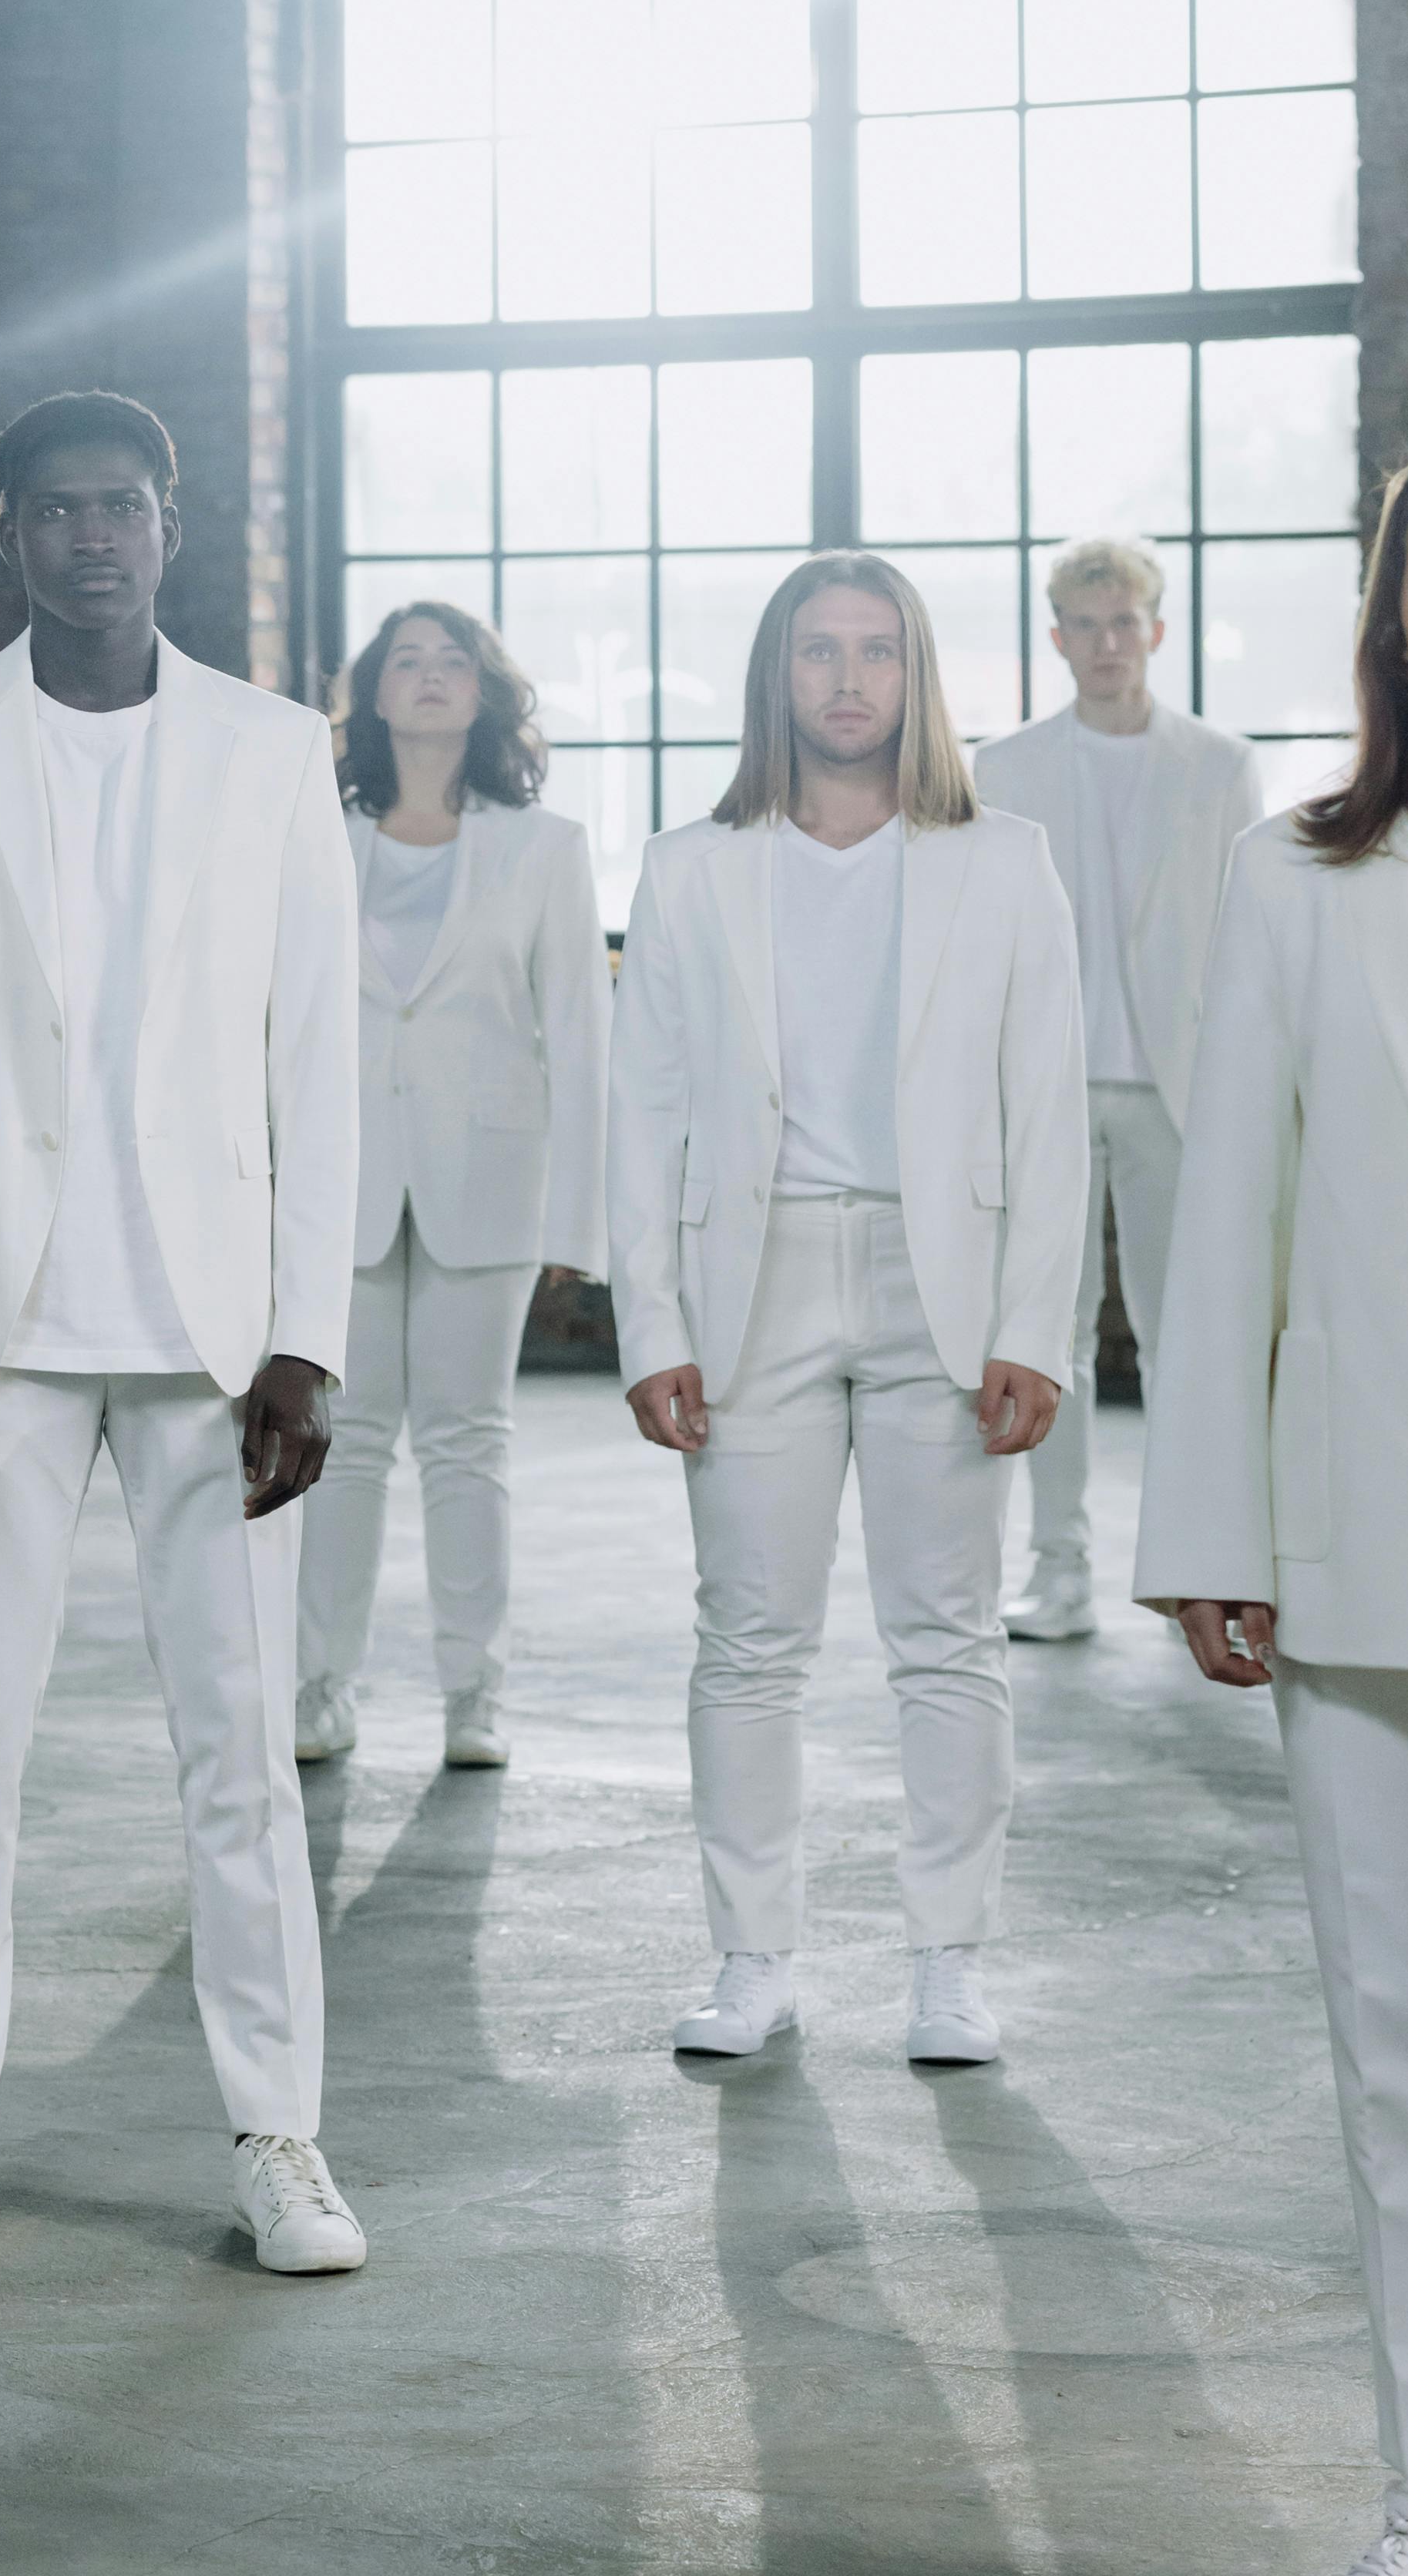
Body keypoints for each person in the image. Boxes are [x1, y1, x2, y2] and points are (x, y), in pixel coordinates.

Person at [0, 390, 365, 2282]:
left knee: (237, 1752)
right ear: (6, 530)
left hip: (217, 1337)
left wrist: (307, 1332)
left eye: (122, 508)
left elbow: (318, 1051)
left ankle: (279, 2135)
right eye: (53, 509)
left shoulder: (268, 749)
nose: (89, 538)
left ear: (168, 526)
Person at [609, 552, 1085, 2069]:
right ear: (776, 675)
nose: (844, 680)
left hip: (935, 1284)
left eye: (874, 651)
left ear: (912, 673)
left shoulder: (999, 857)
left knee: (944, 1639)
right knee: (745, 1640)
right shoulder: (690, 865)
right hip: (745, 1288)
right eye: (815, 651)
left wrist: (1033, 1323)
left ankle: (945, 1961)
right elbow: (643, 1111)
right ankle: (750, 1956)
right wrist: (649, 1326)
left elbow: (1046, 1108)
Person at [1137, 437, 1408, 2576]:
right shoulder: (1295, 876)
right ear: (1387, 615)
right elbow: (1220, 1220)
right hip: (1366, 1544)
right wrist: (1208, 1537)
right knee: (1400, 2052)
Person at [294, 596, 608, 1772]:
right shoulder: (310, 835)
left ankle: (475, 1697)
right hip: (341, 1183)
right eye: (406, 663)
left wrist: (583, 1215)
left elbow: (581, 1036)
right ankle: (318, 1685)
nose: (428, 679)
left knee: (471, 1443)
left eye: (452, 663)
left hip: (491, 1177)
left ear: (484, 694)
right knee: (345, 1439)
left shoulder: (545, 849)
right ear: (372, 694)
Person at [976, 537, 1262, 1640]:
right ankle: (1059, 1572)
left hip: (1178, 1087)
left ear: (1155, 628)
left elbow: (1245, 935)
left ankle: (1199, 1564)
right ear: (1056, 637)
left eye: (1123, 621)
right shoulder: (1003, 767)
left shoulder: (1220, 763)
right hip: (1043, 1088)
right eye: (1084, 625)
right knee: (1048, 1343)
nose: (1105, 643)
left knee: (1183, 1336)